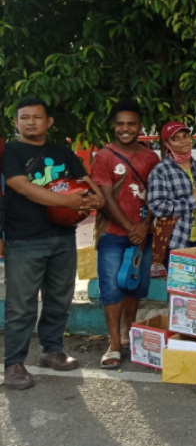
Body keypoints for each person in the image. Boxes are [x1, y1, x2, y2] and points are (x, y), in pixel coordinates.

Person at [2, 98, 104, 390]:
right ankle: (14, 363)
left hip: (63, 236)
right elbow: (21, 186)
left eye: (37, 117)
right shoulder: (11, 151)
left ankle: (52, 350)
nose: (30, 122)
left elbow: (84, 178)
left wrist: (96, 198)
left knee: (60, 298)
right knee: (21, 305)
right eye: (24, 118)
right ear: (16, 123)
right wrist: (67, 201)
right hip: (24, 239)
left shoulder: (62, 151)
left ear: (49, 122)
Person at [92, 100, 161, 369]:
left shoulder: (151, 157)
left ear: (140, 126)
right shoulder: (104, 157)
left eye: (131, 124)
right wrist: (131, 228)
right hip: (112, 234)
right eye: (120, 124)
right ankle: (112, 345)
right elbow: (105, 197)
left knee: (134, 286)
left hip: (144, 233)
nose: (125, 128)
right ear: (114, 126)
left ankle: (129, 334)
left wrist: (145, 226)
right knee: (112, 289)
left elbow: (157, 195)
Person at [147, 122, 196, 268]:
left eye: (185, 136)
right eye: (176, 138)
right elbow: (157, 206)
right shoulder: (161, 171)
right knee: (181, 288)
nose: (183, 141)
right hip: (177, 240)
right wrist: (191, 200)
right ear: (167, 144)